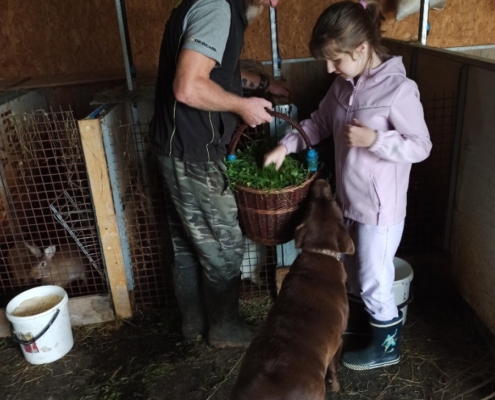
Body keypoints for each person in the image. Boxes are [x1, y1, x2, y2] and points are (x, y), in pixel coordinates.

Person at [263, 0, 432, 369]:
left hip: (380, 210)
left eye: (335, 60)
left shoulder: (398, 90)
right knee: (353, 275)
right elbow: (319, 123)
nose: (329, 68)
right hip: (348, 203)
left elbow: (421, 146)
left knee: (374, 279)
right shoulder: (342, 86)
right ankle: (362, 328)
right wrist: (284, 146)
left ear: (361, 49)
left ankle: (387, 346)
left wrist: (376, 140)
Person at [150, 0, 290, 349]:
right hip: (195, 153)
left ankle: (193, 326)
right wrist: (243, 105)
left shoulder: (219, 7)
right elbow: (188, 86)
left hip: (175, 148)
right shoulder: (217, 8)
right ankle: (224, 329)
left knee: (186, 245)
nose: (274, 4)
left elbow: (220, 71)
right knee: (225, 249)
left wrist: (262, 84)